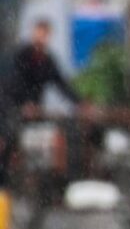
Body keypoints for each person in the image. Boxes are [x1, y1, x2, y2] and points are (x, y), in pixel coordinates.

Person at [0, 19, 82, 186]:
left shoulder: (47, 61)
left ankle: (53, 182)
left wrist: (80, 102)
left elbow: (61, 84)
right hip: (9, 109)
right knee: (8, 137)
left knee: (59, 135)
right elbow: (10, 86)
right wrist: (23, 105)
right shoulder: (19, 57)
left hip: (33, 113)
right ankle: (5, 180)